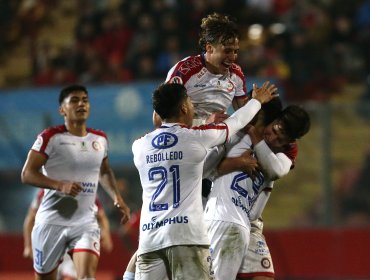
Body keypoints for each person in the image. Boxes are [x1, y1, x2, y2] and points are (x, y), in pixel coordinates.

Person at [132, 82, 277, 280]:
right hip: (186, 237)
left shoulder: (139, 146)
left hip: (149, 239)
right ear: (183, 108)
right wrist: (256, 101)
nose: (193, 107)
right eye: (190, 102)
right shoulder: (196, 138)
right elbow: (235, 122)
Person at [21, 84, 130, 280]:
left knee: (87, 277)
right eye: (74, 100)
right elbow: (27, 174)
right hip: (51, 222)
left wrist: (117, 197)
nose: (81, 104)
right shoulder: (50, 137)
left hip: (85, 222)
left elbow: (104, 172)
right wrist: (59, 185)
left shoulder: (100, 139)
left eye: (85, 100)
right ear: (62, 109)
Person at [204, 105, 311, 280]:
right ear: (274, 120)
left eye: (280, 139)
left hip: (247, 221)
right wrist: (239, 161)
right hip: (223, 213)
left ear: (290, 141)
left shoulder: (282, 149)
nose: (273, 137)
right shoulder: (237, 130)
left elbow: (275, 171)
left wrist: (255, 137)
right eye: (275, 129)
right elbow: (207, 169)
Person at [164, 12, 248, 126]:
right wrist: (204, 123)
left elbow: (245, 119)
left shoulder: (236, 74)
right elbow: (159, 120)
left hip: (217, 140)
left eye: (235, 51)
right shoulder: (184, 71)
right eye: (227, 51)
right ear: (209, 48)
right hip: (186, 138)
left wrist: (257, 102)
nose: (233, 57)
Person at [23, 190, 114, 280]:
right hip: (50, 242)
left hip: (74, 240)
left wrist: (106, 236)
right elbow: (30, 218)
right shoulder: (44, 192)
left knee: (71, 275)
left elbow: (101, 216)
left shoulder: (86, 187)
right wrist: (27, 246)